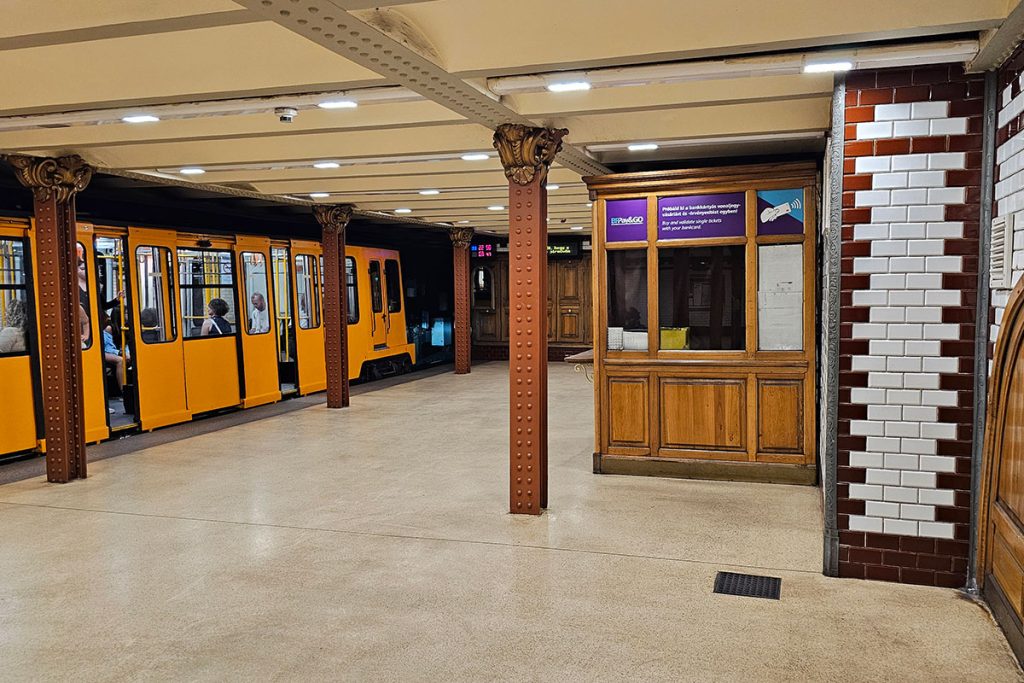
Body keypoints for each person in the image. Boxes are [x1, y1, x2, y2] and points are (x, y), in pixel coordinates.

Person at [100, 313, 127, 390]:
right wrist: (119, 352)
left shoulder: (126, 326)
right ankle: (123, 390)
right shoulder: (109, 328)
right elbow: (107, 347)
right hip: (104, 351)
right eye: (126, 313)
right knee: (120, 361)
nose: (127, 316)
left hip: (116, 350)